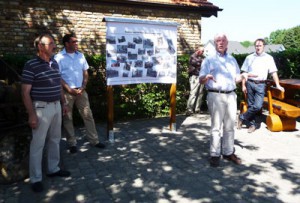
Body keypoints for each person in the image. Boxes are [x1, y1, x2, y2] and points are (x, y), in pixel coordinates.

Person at [21, 34, 70, 193]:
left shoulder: (54, 63)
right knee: (38, 144)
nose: (54, 46)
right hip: (41, 108)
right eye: (51, 44)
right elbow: (25, 92)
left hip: (56, 106)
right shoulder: (31, 65)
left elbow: (58, 85)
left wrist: (63, 103)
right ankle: (35, 178)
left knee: (55, 139)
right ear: (40, 47)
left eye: (54, 44)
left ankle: (53, 168)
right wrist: (31, 114)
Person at [199, 33, 250, 167]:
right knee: (216, 127)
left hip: (231, 95)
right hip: (216, 95)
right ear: (215, 44)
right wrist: (206, 77)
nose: (220, 43)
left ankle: (228, 152)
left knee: (229, 126)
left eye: (223, 41)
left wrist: (244, 76)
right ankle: (215, 154)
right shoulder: (208, 60)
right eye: (218, 41)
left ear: (227, 43)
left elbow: (236, 79)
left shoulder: (232, 60)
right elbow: (200, 79)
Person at [54, 33, 105, 154]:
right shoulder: (58, 58)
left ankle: (94, 140)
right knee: (67, 118)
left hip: (81, 91)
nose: (77, 43)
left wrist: (83, 86)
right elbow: (58, 77)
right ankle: (72, 143)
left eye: (77, 41)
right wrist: (68, 89)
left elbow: (85, 72)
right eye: (74, 42)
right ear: (67, 44)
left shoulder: (80, 56)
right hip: (67, 92)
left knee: (88, 115)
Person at [237, 38, 284, 133]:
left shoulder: (269, 58)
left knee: (258, 106)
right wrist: (243, 85)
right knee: (251, 106)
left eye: (260, 46)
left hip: (261, 84)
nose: (258, 47)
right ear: (255, 46)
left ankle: (242, 117)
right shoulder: (249, 57)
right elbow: (244, 72)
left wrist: (278, 85)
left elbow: (273, 73)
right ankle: (253, 125)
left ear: (264, 46)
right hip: (249, 83)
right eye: (256, 46)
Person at [186, 45, 205, 116]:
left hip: (201, 76)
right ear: (198, 50)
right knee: (193, 93)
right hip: (194, 77)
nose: (203, 52)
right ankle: (189, 109)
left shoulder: (202, 57)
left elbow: (204, 64)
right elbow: (197, 63)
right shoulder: (192, 57)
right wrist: (203, 62)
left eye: (203, 51)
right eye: (202, 51)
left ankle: (197, 109)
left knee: (200, 93)